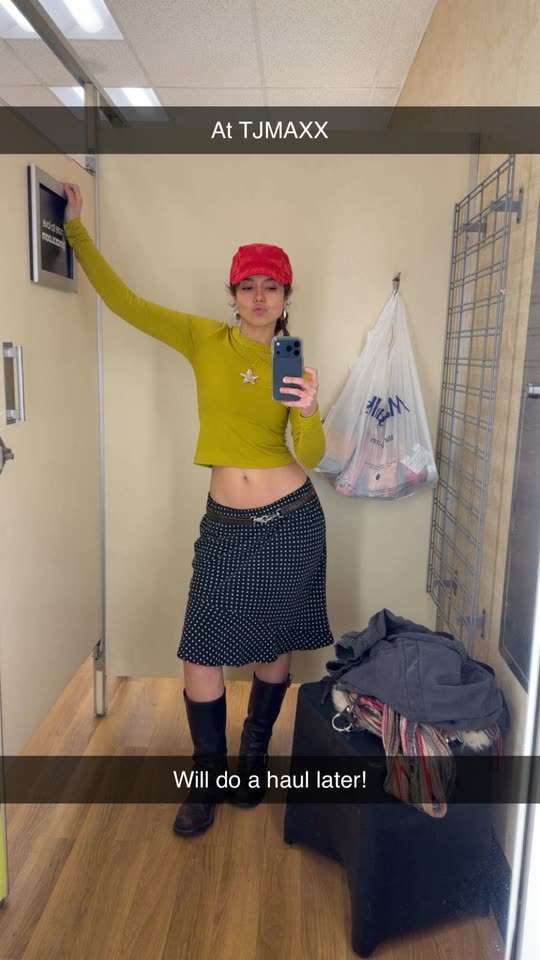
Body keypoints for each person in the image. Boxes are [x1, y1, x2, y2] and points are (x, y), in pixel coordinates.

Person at [61, 182, 334, 837]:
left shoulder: (290, 359)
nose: (259, 297)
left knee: (274, 642)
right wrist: (74, 229)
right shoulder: (202, 338)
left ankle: (253, 755)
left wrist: (308, 409)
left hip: (293, 520)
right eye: (248, 286)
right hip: (227, 526)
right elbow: (125, 303)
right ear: (232, 294)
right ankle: (208, 779)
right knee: (201, 651)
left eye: (272, 286)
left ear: (287, 297)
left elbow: (312, 453)